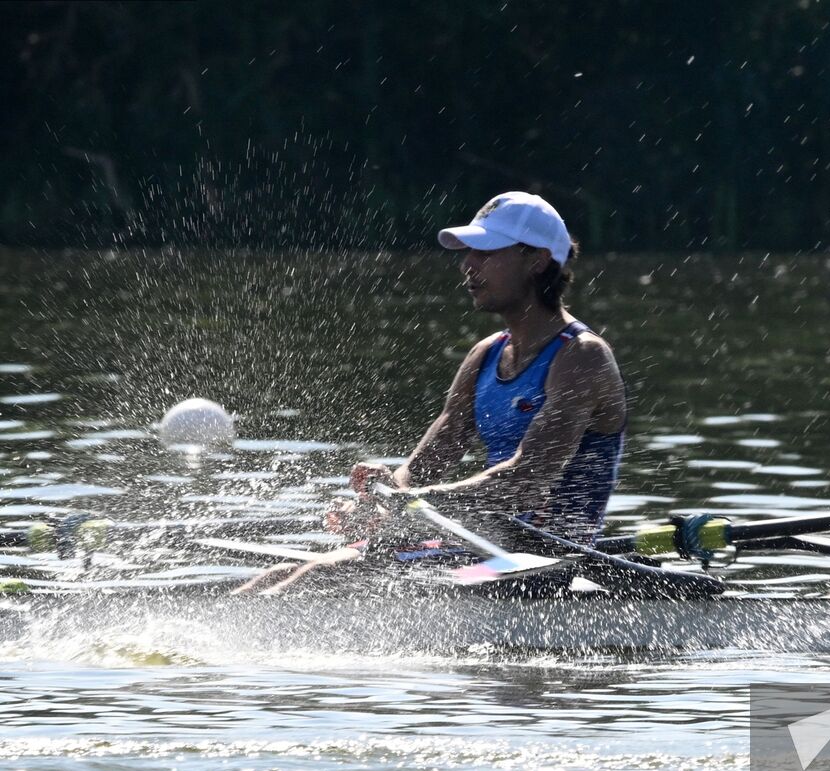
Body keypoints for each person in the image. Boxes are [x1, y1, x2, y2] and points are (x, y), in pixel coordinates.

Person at [237, 191, 626, 594]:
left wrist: (418, 503)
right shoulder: (485, 355)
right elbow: (423, 468)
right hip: (485, 548)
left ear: (537, 261)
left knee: (320, 579)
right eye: (468, 252)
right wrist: (381, 501)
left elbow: (525, 481)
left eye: (485, 252)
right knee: (286, 572)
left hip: (547, 561)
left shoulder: (582, 357)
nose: (467, 266)